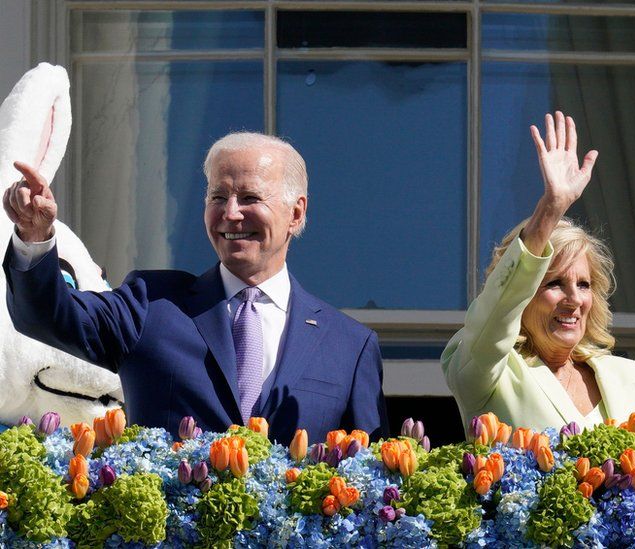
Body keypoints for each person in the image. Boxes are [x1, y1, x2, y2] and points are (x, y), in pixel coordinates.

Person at [2, 132, 388, 444]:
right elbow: (45, 316)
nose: (231, 213)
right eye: (218, 197)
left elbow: (372, 483)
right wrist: (35, 236)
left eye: (250, 198)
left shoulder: (349, 347)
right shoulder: (151, 304)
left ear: (296, 212)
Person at [441, 112, 635, 433]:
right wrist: (551, 208)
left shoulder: (631, 377)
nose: (573, 299)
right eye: (554, 282)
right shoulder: (487, 371)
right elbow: (497, 308)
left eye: (584, 285)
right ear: (523, 294)